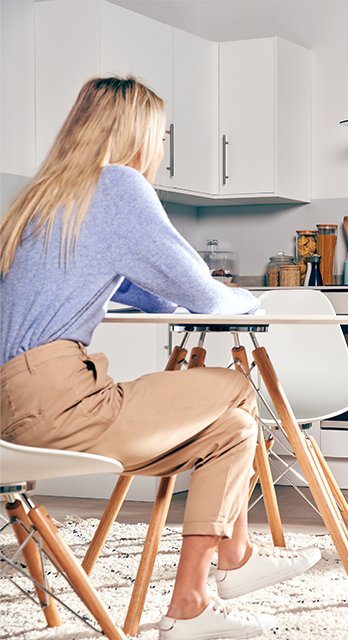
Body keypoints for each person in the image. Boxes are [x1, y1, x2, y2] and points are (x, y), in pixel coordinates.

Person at [0, 77, 320, 640]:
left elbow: (133, 287)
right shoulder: (118, 187)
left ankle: (197, 598)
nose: (162, 147)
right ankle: (235, 559)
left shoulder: (45, 199)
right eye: (161, 135)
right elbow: (206, 297)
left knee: (236, 429)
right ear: (138, 135)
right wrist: (250, 297)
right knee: (236, 384)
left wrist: (172, 292)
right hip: (60, 404)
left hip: (14, 411)